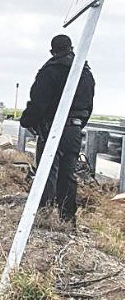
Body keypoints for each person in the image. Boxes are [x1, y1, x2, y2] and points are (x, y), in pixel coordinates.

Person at [20, 34, 95, 225]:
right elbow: (88, 106)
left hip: (51, 128)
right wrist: (76, 125)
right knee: (68, 174)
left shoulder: (49, 71)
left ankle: (44, 216)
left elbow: (38, 103)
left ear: (52, 51)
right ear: (71, 48)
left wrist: (27, 121)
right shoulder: (84, 72)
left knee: (47, 172)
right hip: (73, 131)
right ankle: (67, 219)